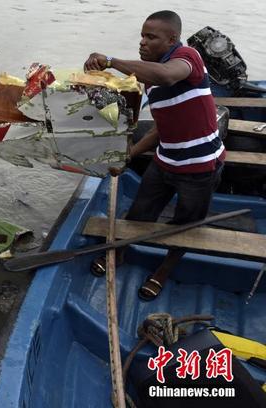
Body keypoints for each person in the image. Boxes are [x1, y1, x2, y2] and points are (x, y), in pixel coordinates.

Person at [83, 10, 225, 301]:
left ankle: (164, 270)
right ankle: (120, 254)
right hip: (165, 161)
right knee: (138, 214)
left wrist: (110, 61)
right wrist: (130, 156)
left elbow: (166, 75)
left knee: (186, 225)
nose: (143, 43)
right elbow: (162, 129)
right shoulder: (150, 79)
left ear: (172, 39)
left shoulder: (188, 59)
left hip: (200, 167)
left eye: (151, 37)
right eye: (142, 36)